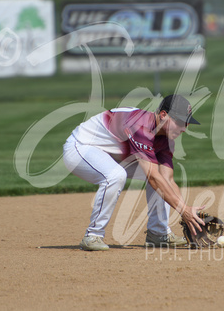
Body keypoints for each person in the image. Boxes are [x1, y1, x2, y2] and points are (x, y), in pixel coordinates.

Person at [63, 94, 205, 251]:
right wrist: (183, 210)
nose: (184, 128)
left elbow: (168, 180)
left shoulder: (166, 139)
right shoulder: (141, 127)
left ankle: (158, 234)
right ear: (163, 115)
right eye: (180, 122)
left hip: (110, 153)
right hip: (80, 147)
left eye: (186, 123)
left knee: (160, 178)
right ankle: (92, 235)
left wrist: (188, 213)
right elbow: (153, 177)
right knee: (116, 176)